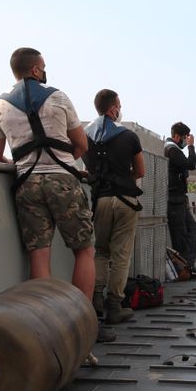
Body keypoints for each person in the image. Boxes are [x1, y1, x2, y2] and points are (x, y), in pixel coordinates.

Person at [0, 48, 99, 335]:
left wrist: (21, 162)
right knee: (84, 251)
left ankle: (45, 325)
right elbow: (81, 145)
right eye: (43, 66)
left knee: (39, 254)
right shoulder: (58, 97)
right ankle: (82, 323)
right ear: (36, 70)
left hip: (27, 183)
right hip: (63, 180)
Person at [82, 89, 145, 339]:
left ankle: (95, 301)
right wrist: (123, 179)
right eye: (119, 105)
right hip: (125, 201)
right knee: (121, 254)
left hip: (101, 200)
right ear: (112, 109)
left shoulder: (85, 136)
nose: (120, 109)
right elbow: (140, 171)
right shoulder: (129, 136)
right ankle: (114, 306)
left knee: (100, 251)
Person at [165, 122, 196, 275]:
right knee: (180, 236)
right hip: (174, 200)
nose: (186, 142)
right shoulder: (171, 149)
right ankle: (183, 270)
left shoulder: (171, 149)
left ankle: (189, 266)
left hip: (179, 199)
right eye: (185, 138)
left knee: (192, 230)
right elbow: (191, 164)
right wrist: (192, 147)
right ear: (177, 136)